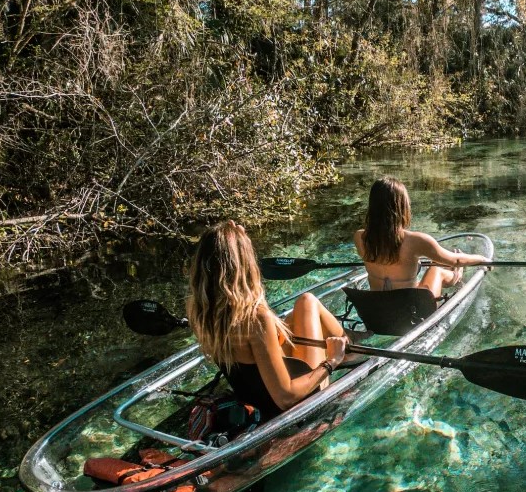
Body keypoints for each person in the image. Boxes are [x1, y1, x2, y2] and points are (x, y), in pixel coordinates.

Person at [187, 221, 348, 419]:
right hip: (292, 403)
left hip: (254, 396)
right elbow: (286, 398)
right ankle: (345, 351)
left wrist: (232, 237)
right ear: (245, 264)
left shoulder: (198, 310)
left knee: (302, 308)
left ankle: (345, 346)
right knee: (309, 303)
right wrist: (332, 361)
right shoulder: (255, 318)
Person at [353, 176, 490, 296]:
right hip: (410, 310)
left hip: (377, 308)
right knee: (436, 269)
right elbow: (456, 260)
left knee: (423, 273)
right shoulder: (415, 241)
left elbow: (389, 258)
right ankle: (456, 276)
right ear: (402, 207)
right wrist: (483, 258)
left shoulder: (359, 237)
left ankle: (446, 269)